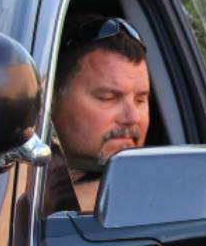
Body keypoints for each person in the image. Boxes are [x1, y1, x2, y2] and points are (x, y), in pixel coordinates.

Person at [50, 14, 150, 211]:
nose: (132, 117)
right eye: (108, 98)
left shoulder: (156, 193)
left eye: (140, 100)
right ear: (49, 101)